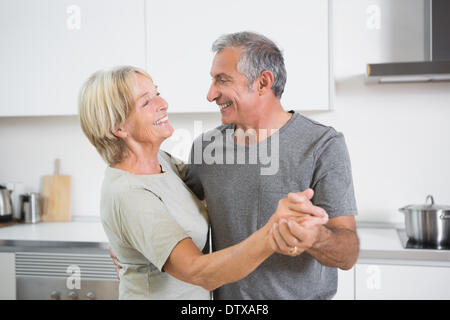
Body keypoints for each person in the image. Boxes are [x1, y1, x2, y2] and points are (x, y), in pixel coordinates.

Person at [78, 66, 328, 299]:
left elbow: (217, 187)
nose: (163, 104)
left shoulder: (162, 163)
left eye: (158, 94)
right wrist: (274, 232)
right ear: (118, 128)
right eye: (146, 102)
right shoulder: (129, 194)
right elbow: (201, 273)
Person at [183, 31, 360, 299]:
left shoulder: (323, 144)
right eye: (212, 80)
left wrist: (315, 237)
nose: (210, 95)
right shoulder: (206, 148)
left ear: (263, 82)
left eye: (222, 80)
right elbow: (178, 215)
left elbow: (347, 255)